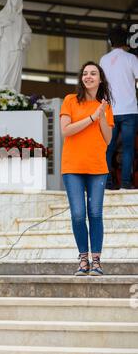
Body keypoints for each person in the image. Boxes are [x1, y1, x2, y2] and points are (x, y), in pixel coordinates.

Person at [60, 61, 114, 276]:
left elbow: (108, 139)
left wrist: (100, 115)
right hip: (72, 167)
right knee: (78, 215)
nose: (89, 76)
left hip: (97, 167)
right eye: (85, 73)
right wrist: (91, 117)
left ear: (100, 79)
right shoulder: (70, 101)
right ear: (81, 78)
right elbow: (66, 131)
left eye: (93, 73)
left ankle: (97, 261)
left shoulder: (106, 106)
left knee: (95, 214)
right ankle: (83, 259)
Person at [100, 27, 138, 189]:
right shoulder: (131, 58)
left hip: (110, 110)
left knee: (108, 147)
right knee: (128, 148)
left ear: (110, 42)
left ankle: (107, 183)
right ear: (127, 41)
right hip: (130, 110)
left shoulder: (103, 60)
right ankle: (125, 183)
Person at [0, 0, 32, 93]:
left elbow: (27, 32)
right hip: (6, 48)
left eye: (19, 0)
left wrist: (24, 39)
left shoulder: (21, 18)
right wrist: (2, 24)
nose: (17, 2)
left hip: (17, 50)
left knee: (15, 74)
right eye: (15, 0)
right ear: (10, 0)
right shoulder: (4, 14)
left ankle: (13, 93)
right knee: (4, 71)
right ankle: (2, 93)